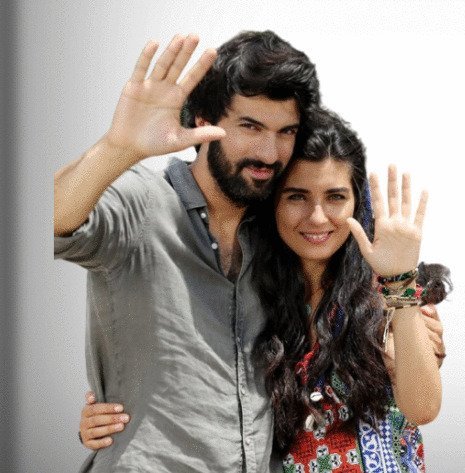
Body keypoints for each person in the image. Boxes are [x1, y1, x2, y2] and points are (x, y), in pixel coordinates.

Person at [77, 109, 450, 472]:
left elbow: (423, 408)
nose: (317, 217)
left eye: (335, 197)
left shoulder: (389, 294)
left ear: (357, 202)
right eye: (296, 196)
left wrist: (400, 282)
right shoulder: (255, 298)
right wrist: (117, 415)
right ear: (271, 202)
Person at [54, 30, 320, 472]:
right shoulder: (141, 203)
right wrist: (116, 149)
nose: (269, 153)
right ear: (202, 119)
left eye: (285, 132)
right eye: (250, 127)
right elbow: (49, 219)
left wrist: (409, 307)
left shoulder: (277, 233)